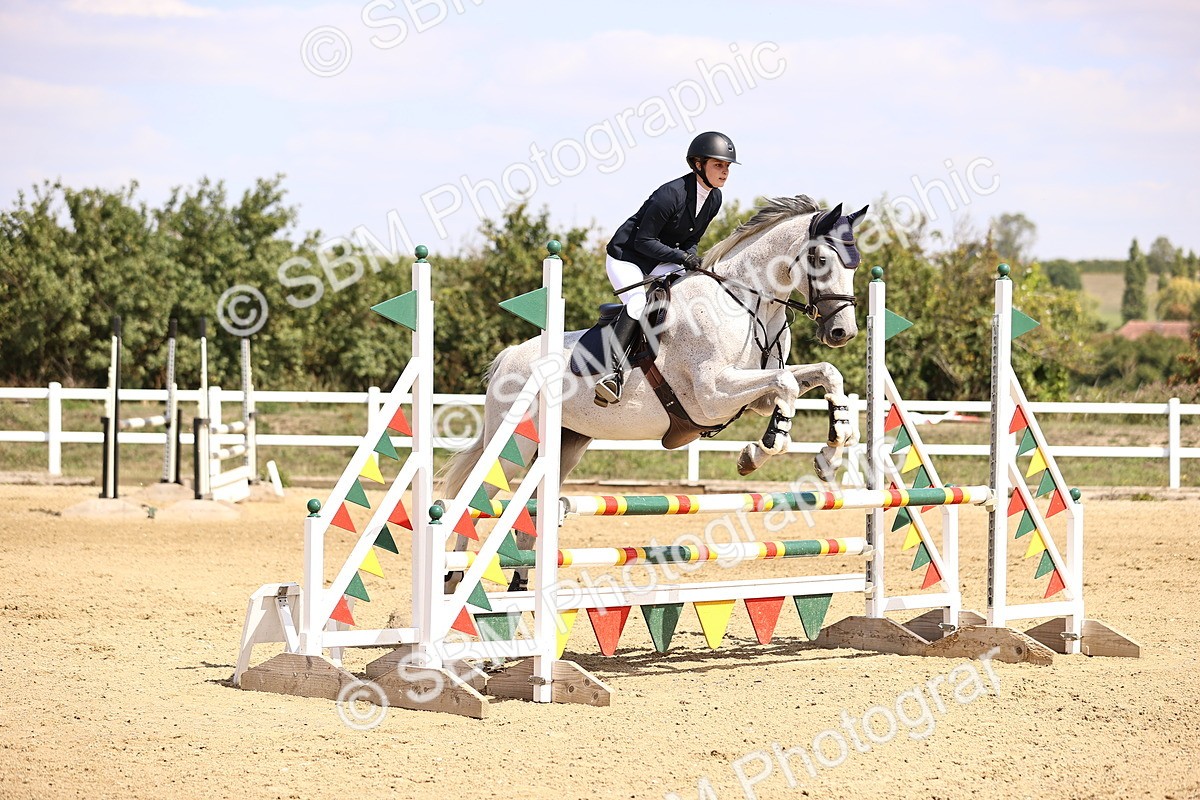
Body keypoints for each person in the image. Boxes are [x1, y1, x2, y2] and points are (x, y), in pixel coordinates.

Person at [595, 131, 738, 405]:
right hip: (628, 257)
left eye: (727, 166)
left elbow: (692, 240)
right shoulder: (670, 194)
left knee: (694, 291)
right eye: (718, 165)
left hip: (661, 258)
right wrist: (683, 258)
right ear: (698, 164)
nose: (724, 171)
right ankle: (612, 375)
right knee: (637, 304)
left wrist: (691, 259)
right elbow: (644, 240)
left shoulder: (714, 198)